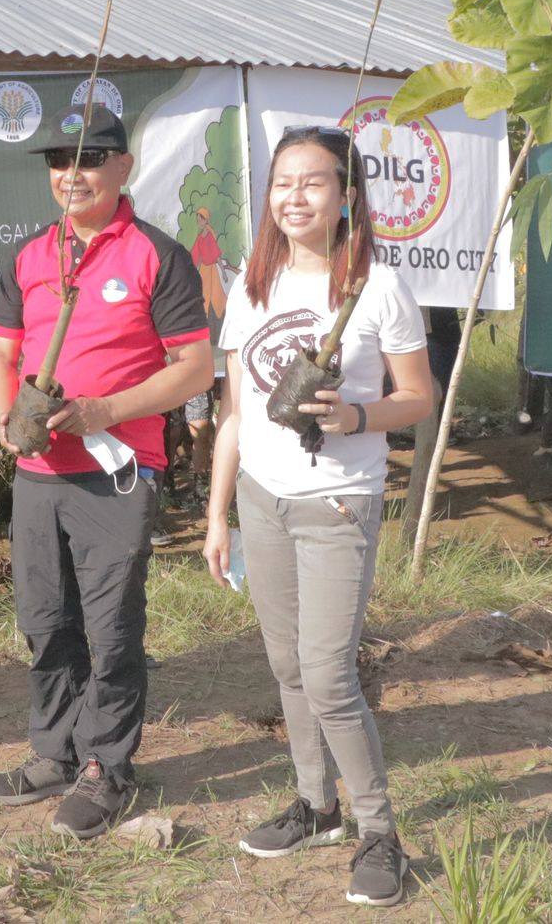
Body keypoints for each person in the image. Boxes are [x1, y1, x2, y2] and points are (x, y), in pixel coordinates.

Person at [201, 125, 432, 908]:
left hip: (338, 505)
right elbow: (235, 412)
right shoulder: (252, 283)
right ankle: (316, 803)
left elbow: (419, 398)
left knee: (331, 673)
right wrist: (218, 514)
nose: (294, 198)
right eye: (282, 183)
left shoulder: (376, 286)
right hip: (263, 502)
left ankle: (379, 832)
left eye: (313, 183)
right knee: (287, 666)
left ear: (346, 196)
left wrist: (357, 419)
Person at [0, 102, 212, 839]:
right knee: (44, 623)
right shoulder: (30, 256)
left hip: (116, 473)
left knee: (110, 629)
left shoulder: (155, 255)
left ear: (122, 167)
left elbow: (195, 367)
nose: (69, 174)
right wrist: (4, 416)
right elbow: (0, 357)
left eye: (86, 158)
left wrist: (105, 411)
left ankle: (107, 768)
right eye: (57, 161)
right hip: (40, 474)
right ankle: (54, 751)